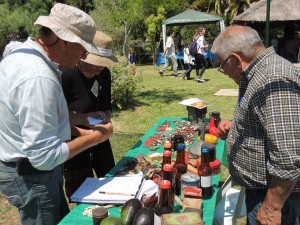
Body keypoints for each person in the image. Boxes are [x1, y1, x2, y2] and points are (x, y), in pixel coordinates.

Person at [0, 3, 113, 225]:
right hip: (32, 175)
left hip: (31, 171)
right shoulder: (38, 77)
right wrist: (94, 138)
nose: (84, 55)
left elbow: (43, 127)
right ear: (64, 41)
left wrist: (81, 130)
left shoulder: (22, 57)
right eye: (83, 48)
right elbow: (44, 157)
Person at [211, 25, 300, 225]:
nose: (223, 72)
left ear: (234, 59)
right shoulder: (259, 73)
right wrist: (237, 126)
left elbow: (288, 155)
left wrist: (271, 207)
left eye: (221, 65)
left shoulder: (273, 77)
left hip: (276, 199)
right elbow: (272, 124)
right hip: (261, 192)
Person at [61, 31, 118, 200]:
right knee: (81, 195)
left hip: (100, 140)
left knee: (110, 186)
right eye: (95, 63)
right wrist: (85, 128)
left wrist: (106, 118)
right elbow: (58, 118)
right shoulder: (67, 74)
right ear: (83, 55)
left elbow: (107, 107)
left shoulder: (104, 74)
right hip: (75, 143)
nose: (98, 68)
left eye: (102, 64)